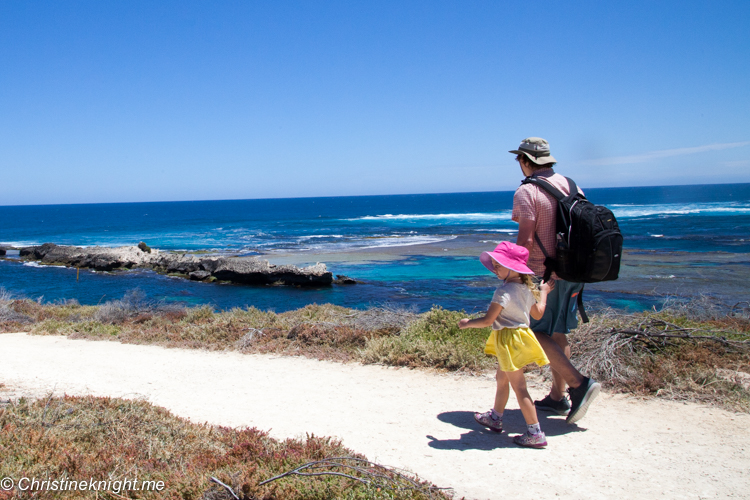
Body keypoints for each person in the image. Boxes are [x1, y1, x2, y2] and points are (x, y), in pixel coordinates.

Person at [509, 137, 600, 424]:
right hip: (573, 270)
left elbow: (525, 239)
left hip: (542, 274)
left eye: (519, 160)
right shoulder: (572, 185)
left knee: (531, 330)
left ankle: (578, 384)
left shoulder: (527, 192)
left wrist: (514, 273)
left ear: (526, 160)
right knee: (559, 331)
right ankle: (557, 398)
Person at [458, 241, 554, 448]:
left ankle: (535, 432)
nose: (495, 269)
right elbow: (538, 313)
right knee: (502, 379)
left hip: (508, 340)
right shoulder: (526, 289)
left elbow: (487, 320)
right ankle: (495, 417)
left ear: (512, 267)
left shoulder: (503, 292)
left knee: (519, 387)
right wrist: (544, 292)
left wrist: (467, 324)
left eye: (499, 265)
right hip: (521, 337)